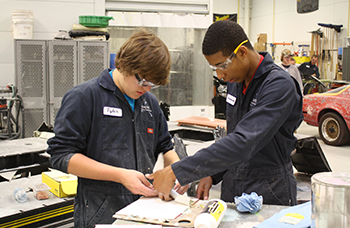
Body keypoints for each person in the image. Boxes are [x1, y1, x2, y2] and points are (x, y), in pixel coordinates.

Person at [148, 20, 303, 206]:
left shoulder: (279, 85)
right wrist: (213, 173)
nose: (220, 75)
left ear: (243, 53)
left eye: (222, 65)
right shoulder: (235, 81)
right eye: (215, 68)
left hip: (268, 188)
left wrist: (177, 170)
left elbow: (244, 142)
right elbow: (233, 136)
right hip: (233, 185)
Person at [47, 29, 186, 227]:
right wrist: (120, 175)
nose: (146, 88)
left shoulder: (150, 103)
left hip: (145, 210)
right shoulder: (85, 97)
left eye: (152, 85)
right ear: (122, 64)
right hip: (100, 214)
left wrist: (176, 171)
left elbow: (166, 147)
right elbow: (61, 156)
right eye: (142, 80)